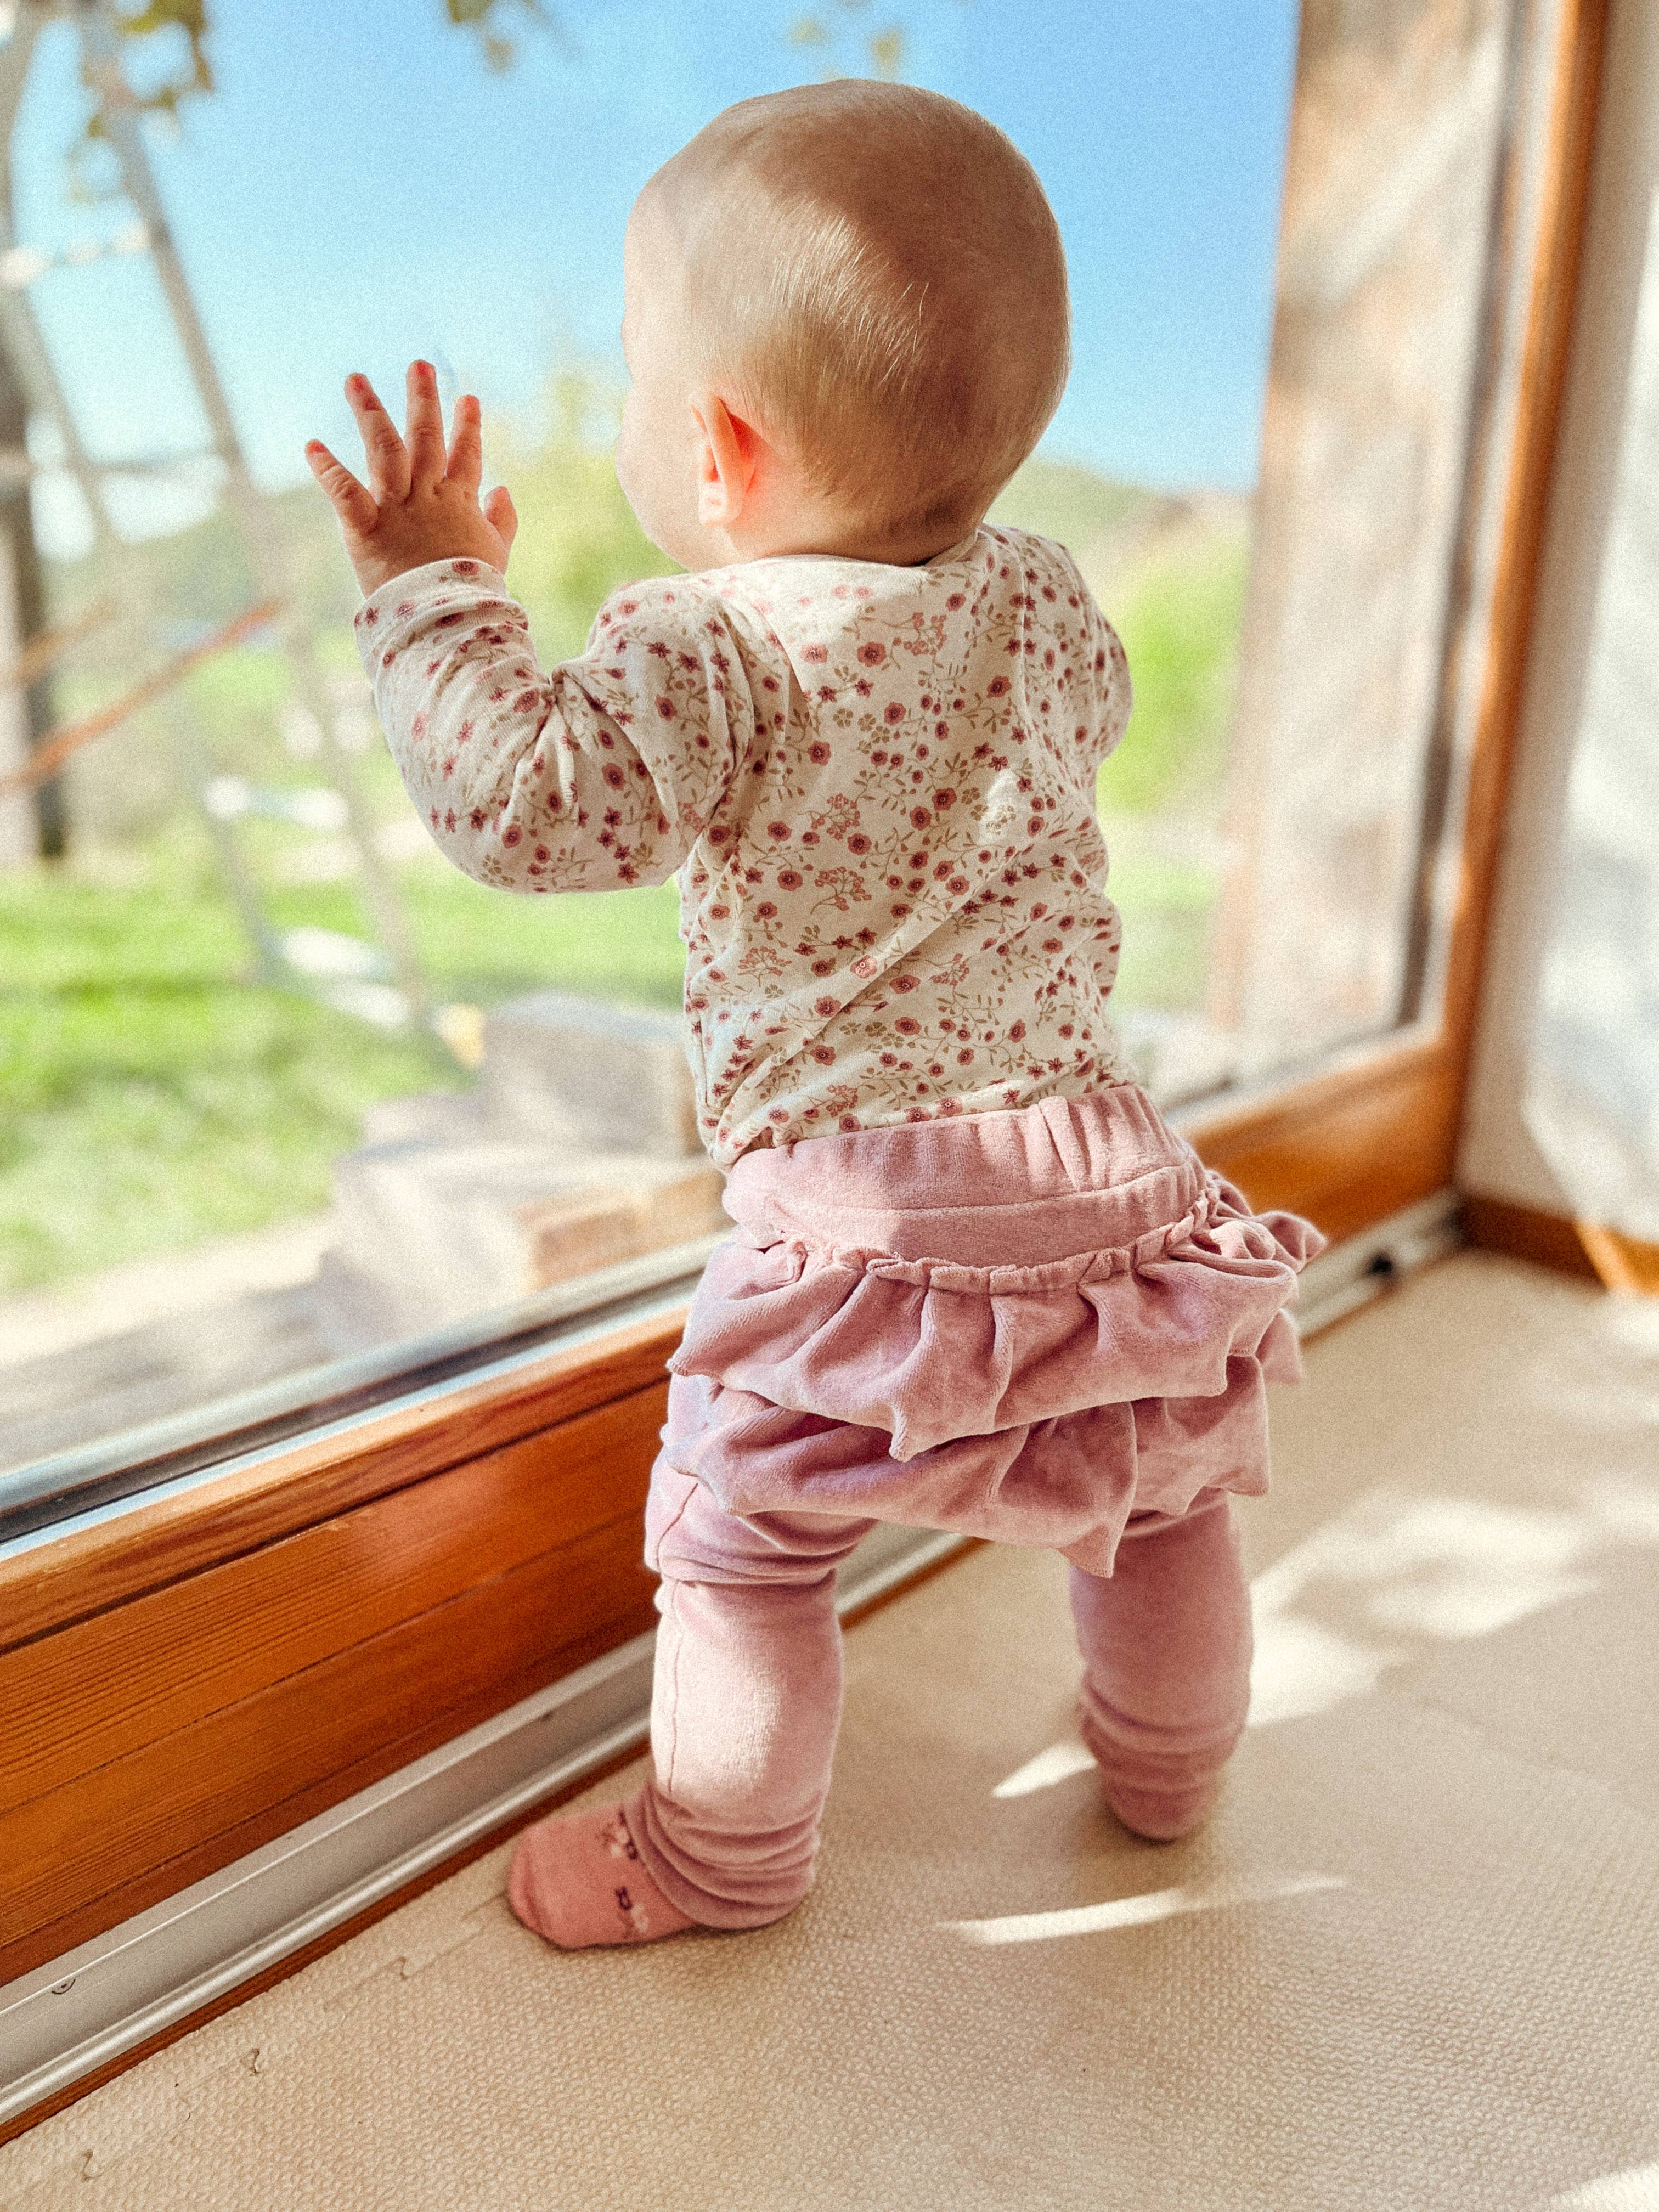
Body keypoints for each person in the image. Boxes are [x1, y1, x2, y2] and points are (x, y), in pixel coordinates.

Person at [306, 79, 1324, 1951]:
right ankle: (1172, 1772)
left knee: (749, 1548)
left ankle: (718, 1858)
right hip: (1111, 1177)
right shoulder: (1046, 597)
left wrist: (434, 592)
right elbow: (1093, 711)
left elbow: (525, 809)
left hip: (866, 1217)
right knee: (1168, 1500)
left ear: (720, 451)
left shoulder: (707, 645)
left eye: (635, 372)